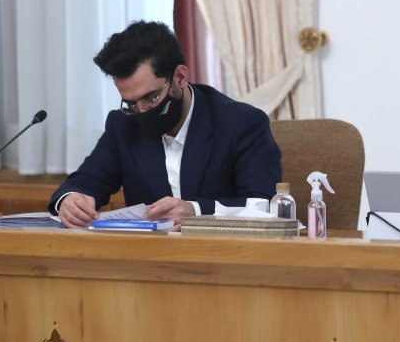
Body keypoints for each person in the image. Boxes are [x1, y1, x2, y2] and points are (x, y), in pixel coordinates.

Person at [48, 21, 282, 229]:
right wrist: (71, 200)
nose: (142, 111)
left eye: (151, 98)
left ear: (180, 77)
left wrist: (196, 211)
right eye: (131, 103)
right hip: (150, 258)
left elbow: (263, 205)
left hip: (224, 255)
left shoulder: (240, 123)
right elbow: (86, 181)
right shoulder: (124, 125)